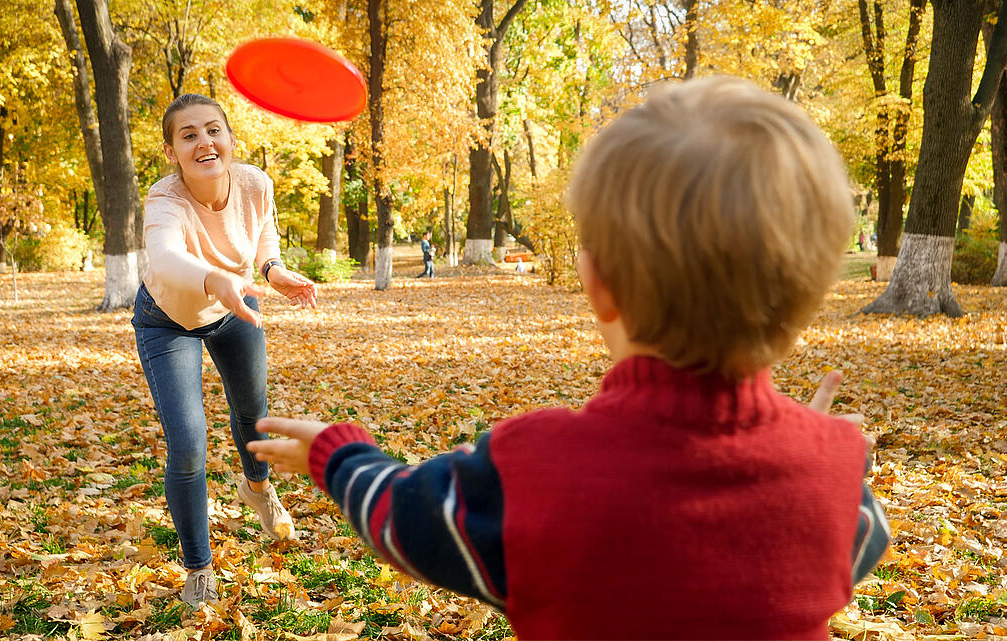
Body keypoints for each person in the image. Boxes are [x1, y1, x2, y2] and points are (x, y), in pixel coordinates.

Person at [248, 77, 890, 639]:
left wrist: (338, 456)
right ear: (807, 293)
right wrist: (807, 446)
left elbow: (405, 518)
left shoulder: (534, 467)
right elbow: (842, 540)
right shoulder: (833, 471)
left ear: (599, 283)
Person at [132, 93, 318, 608]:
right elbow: (166, 258)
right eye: (188, 135)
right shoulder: (164, 198)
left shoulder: (256, 183)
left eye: (213, 130)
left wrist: (274, 272)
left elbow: (263, 238)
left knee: (253, 415)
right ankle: (198, 567)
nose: (204, 142)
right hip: (168, 321)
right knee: (189, 444)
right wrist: (215, 278)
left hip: (232, 309)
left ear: (230, 138)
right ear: (171, 150)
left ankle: (257, 490)